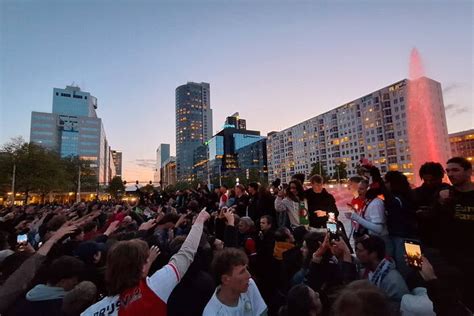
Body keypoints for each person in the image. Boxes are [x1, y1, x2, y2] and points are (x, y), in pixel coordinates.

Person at [81, 209, 210, 316]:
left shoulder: (92, 312)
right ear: (142, 267)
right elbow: (186, 253)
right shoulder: (154, 288)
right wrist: (199, 221)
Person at [433, 157, 474, 310]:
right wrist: (441, 204)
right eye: (448, 171)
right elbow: (434, 223)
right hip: (451, 258)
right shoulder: (444, 195)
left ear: (469, 171)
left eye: (455, 170)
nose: (450, 174)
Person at [8, 255, 86, 316]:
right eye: (74, 280)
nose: (76, 283)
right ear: (62, 282)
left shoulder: (28, 294)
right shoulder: (59, 306)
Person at [203, 248, 267, 316]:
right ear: (225, 279)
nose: (249, 275)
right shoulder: (212, 313)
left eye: (246, 268)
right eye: (242, 272)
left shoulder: (250, 285)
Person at [354, 236, 408, 310]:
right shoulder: (365, 271)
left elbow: (397, 309)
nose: (357, 253)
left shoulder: (393, 280)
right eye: (356, 250)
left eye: (360, 251)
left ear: (374, 254)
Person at [383, 171, 418, 278]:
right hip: (410, 237)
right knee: (415, 268)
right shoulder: (407, 196)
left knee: (409, 269)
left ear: (392, 183)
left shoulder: (397, 199)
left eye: (386, 182)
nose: (384, 185)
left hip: (404, 238)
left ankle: (414, 290)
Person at [413, 162, 449, 247]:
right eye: (426, 180)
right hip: (421, 238)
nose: (429, 183)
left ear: (441, 177)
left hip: (445, 240)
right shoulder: (415, 193)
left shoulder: (450, 191)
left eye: (433, 180)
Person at [345, 180, 389, 248]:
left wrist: (356, 217)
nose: (358, 191)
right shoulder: (367, 202)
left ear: (369, 190)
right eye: (358, 189)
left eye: (362, 189)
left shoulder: (376, 203)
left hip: (381, 243)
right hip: (374, 242)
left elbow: (379, 229)